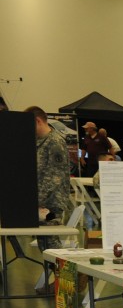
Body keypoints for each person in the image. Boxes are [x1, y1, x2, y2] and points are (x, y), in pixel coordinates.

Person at [25, 106, 72, 259]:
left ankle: (64, 272)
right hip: (42, 203)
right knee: (44, 243)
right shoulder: (40, 141)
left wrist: (37, 201)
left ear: (38, 121)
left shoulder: (55, 142)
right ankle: (55, 272)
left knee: (52, 244)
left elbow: (55, 178)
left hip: (52, 204)